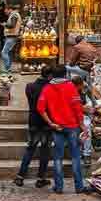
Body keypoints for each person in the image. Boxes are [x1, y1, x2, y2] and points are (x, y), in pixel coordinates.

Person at [37, 65, 88, 193]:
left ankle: (59, 187)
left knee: (57, 158)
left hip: (57, 127)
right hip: (72, 126)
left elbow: (40, 108)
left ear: (52, 75)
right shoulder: (71, 87)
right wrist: (82, 125)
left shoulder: (47, 88)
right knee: (75, 157)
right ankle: (79, 187)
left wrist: (50, 123)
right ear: (65, 75)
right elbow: (77, 108)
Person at [14, 65, 53, 188]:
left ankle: (20, 176)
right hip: (46, 123)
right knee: (45, 151)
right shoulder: (50, 88)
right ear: (50, 75)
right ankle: (41, 178)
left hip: (34, 121)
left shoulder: (29, 86)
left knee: (30, 149)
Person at [72, 75, 94, 163]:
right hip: (72, 116)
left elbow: (87, 102)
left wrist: (87, 107)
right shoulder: (70, 92)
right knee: (83, 129)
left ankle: (86, 154)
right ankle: (80, 152)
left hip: (82, 115)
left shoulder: (82, 91)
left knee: (87, 127)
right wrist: (83, 108)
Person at [1, 4, 22, 73]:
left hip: (12, 37)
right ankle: (8, 68)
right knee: (9, 53)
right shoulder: (14, 15)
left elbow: (12, 25)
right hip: (11, 36)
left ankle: (6, 68)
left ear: (9, 9)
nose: (4, 11)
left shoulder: (14, 15)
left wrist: (5, 24)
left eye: (5, 10)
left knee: (4, 52)